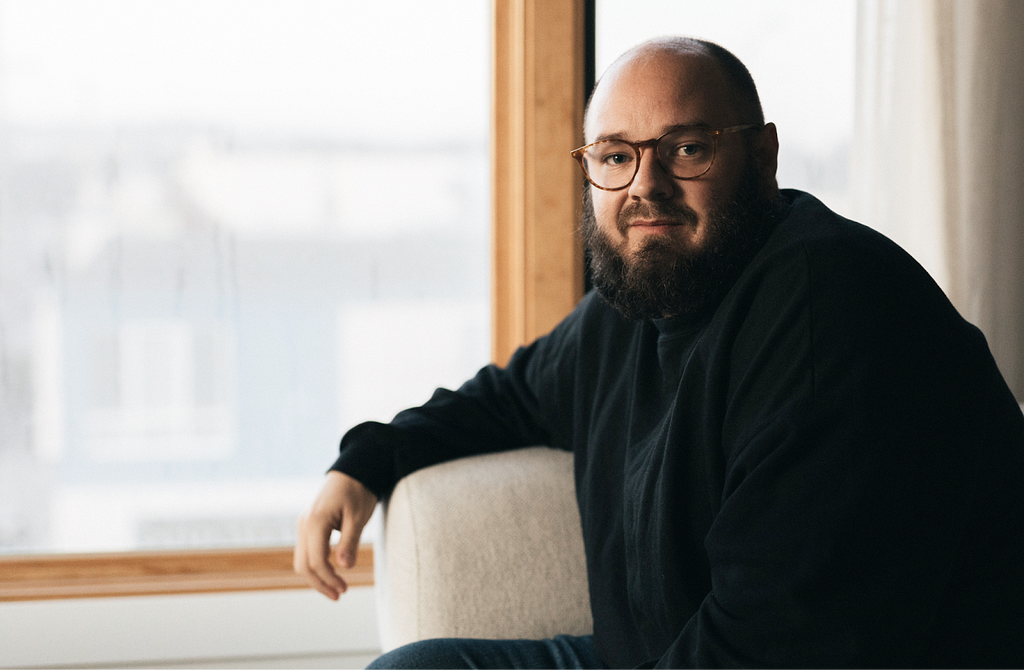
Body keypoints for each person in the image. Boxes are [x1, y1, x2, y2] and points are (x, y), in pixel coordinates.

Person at [294, 36, 1024, 669]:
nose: (646, 187)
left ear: (762, 156)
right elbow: (512, 396)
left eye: (686, 149)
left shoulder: (833, 310)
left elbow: (775, 647)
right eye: (615, 156)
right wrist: (367, 461)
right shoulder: (643, 299)